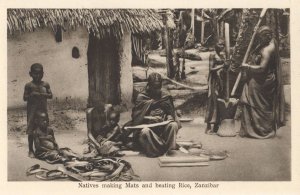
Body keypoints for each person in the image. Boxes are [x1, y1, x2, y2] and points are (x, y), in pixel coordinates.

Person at [239, 26, 285, 139]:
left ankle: (261, 131)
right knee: (260, 103)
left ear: (266, 36)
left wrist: (247, 66)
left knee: (252, 100)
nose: (259, 40)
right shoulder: (271, 41)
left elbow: (261, 68)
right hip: (266, 79)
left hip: (262, 80)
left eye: (261, 37)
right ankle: (257, 129)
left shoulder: (267, 50)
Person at [125, 73, 181, 157]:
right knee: (145, 132)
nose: (157, 90)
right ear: (149, 85)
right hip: (149, 128)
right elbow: (136, 118)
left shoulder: (165, 96)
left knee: (173, 125)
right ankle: (155, 151)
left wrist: (168, 117)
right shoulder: (142, 97)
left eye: (159, 87)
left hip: (162, 128)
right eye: (154, 88)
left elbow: (171, 113)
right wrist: (149, 118)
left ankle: (169, 149)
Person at [23, 63, 53, 158]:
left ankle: (42, 148)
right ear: (30, 74)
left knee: (44, 129)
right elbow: (25, 97)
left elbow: (51, 95)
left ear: (43, 74)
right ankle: (31, 150)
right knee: (31, 129)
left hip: (43, 110)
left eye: (40, 74)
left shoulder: (45, 84)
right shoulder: (28, 85)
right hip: (32, 111)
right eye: (35, 74)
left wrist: (43, 95)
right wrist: (32, 95)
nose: (38, 76)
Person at [205, 39, 229, 134]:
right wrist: (223, 65)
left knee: (219, 102)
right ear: (215, 45)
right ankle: (208, 126)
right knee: (212, 101)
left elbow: (225, 67)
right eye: (220, 44)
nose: (222, 46)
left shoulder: (222, 55)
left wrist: (226, 66)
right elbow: (211, 69)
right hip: (214, 81)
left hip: (220, 81)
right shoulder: (212, 55)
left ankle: (216, 125)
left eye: (223, 44)